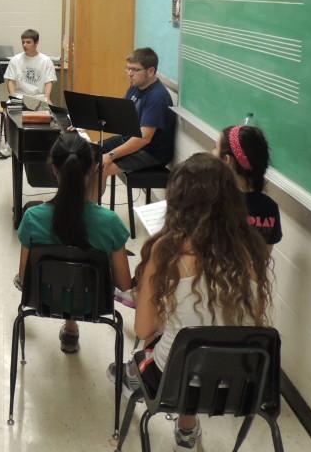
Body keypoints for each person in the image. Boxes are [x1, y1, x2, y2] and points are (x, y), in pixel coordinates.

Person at [111, 153, 272, 450]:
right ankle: (186, 429)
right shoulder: (252, 251)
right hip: (238, 386)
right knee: (197, 338)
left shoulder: (165, 252)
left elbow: (145, 328)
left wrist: (166, 311)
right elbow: (252, 322)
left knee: (171, 342)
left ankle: (133, 380)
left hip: (174, 381)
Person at [16, 133, 132, 353]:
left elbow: (24, 278)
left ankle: (70, 327)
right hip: (93, 303)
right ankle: (71, 326)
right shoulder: (110, 222)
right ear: (92, 170)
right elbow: (124, 284)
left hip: (45, 298)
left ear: (54, 169)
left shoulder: (32, 217)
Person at [100, 47, 176, 180]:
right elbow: (120, 113)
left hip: (151, 152)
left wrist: (111, 155)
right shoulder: (135, 86)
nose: (129, 73)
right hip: (131, 140)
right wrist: (86, 123)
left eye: (135, 69)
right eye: (128, 68)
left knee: (98, 169)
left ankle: (89, 201)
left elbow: (144, 138)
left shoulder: (157, 97)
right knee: (89, 151)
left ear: (151, 71)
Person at [214, 125, 282, 246]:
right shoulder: (270, 208)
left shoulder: (216, 201)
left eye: (215, 148)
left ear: (227, 160)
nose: (212, 152)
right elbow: (264, 258)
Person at [6, 29, 56, 102]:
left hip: (39, 97)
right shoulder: (15, 60)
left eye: (28, 42)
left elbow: (48, 82)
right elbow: (11, 81)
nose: (24, 45)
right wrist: (13, 96)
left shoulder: (46, 60)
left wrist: (47, 98)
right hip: (20, 96)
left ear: (36, 43)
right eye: (23, 42)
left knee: (48, 112)